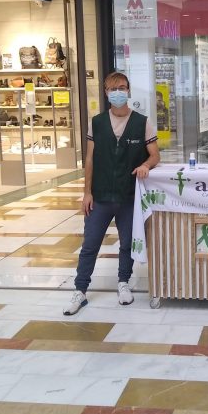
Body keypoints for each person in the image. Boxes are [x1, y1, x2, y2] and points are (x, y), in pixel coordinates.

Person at [64, 72, 160, 315]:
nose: (118, 92)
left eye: (122, 87)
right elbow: (89, 159)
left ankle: (123, 283)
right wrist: (87, 193)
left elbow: (155, 155)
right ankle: (80, 290)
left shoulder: (142, 122)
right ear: (106, 92)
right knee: (90, 245)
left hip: (128, 196)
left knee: (127, 243)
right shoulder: (97, 123)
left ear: (128, 91)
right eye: (113, 88)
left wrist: (145, 165)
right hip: (101, 196)